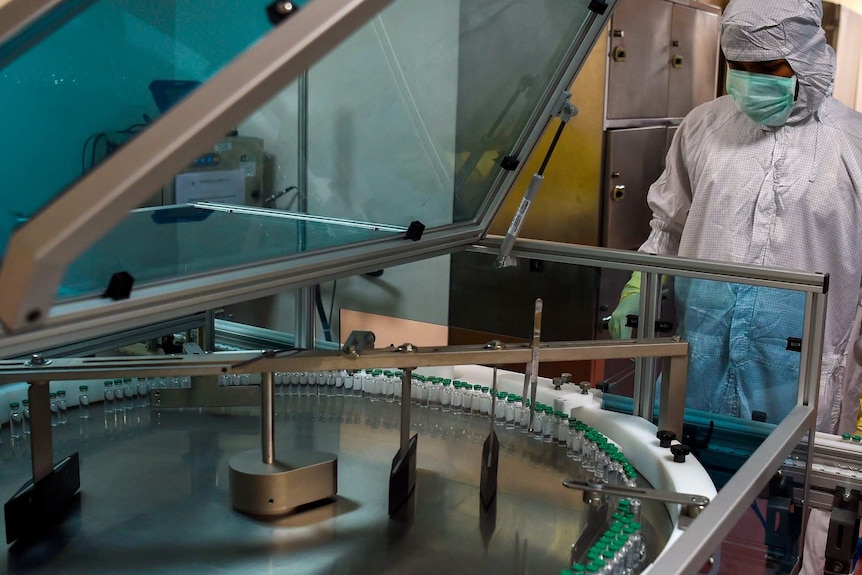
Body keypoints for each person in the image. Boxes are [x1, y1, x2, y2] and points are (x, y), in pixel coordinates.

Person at [609, 0, 862, 572]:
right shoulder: (701, 127)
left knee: (796, 524)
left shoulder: (855, 146)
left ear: (806, 59)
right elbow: (667, 228)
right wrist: (637, 291)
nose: (750, 80)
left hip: (801, 380)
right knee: (683, 505)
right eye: (738, 64)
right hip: (698, 360)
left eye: (768, 66)